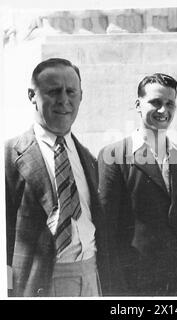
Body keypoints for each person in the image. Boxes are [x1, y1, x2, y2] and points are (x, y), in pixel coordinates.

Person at [98, 73, 177, 296]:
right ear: (138, 105)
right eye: (156, 102)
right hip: (137, 283)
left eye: (170, 104)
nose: (163, 110)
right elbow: (106, 230)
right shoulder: (114, 155)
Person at [5, 58, 106, 297]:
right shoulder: (8, 157)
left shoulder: (89, 158)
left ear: (81, 96)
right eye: (53, 91)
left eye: (71, 91)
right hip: (39, 283)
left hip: (91, 277)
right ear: (32, 95)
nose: (64, 100)